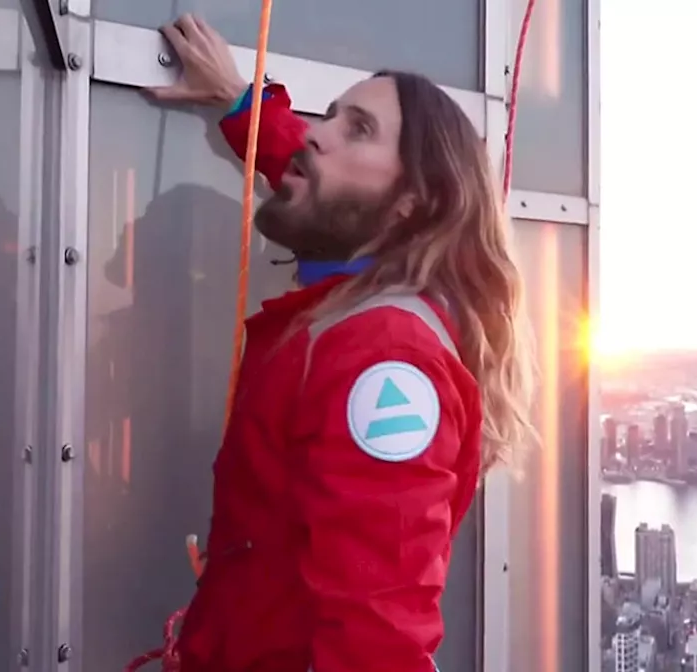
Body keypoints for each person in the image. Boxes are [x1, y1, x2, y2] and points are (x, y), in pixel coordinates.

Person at [140, 14, 537, 672]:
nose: (318, 137)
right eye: (330, 118)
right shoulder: (362, 293)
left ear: (413, 203)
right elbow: (322, 177)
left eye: (358, 128)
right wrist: (243, 104)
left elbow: (377, 644)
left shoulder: (384, 357)